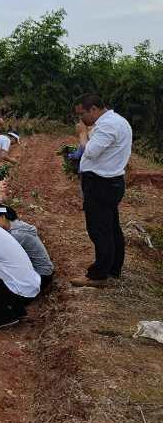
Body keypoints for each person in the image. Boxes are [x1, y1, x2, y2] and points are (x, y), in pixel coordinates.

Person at [71, 94, 132, 288]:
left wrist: (82, 133)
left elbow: (90, 151)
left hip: (101, 184)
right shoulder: (118, 121)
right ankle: (113, 268)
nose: (81, 119)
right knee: (111, 226)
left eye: (82, 114)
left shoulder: (107, 125)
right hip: (109, 182)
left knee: (99, 229)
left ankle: (98, 275)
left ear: (94, 109)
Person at [0, 204, 54, 290]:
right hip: (40, 272)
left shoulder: (16, 235)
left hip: (41, 276)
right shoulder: (14, 225)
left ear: (2, 217)